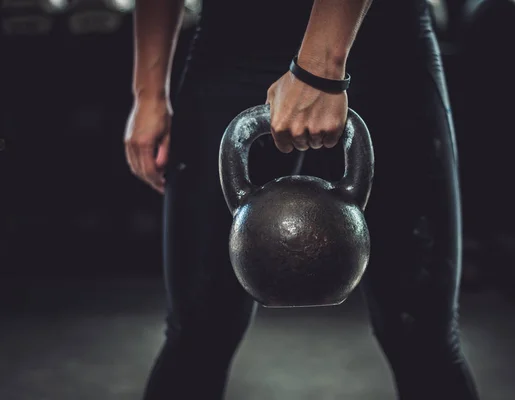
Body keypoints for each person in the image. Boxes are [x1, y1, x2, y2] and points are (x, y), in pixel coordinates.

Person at [123, 0, 480, 399]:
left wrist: (320, 70)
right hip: (233, 42)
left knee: (422, 334)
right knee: (197, 330)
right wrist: (149, 94)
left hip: (383, 40)